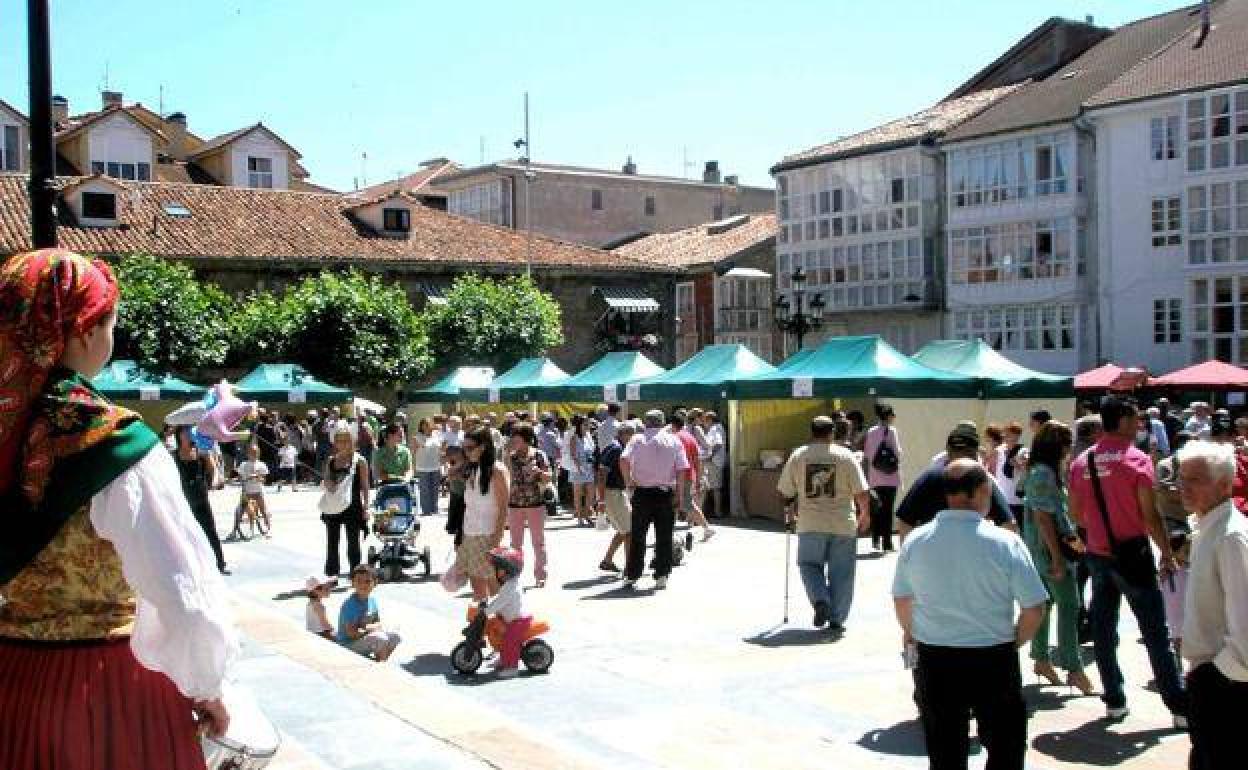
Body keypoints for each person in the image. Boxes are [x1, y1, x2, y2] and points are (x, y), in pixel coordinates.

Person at [0, 249, 235, 768]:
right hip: (107, 690)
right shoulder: (114, 441)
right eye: (110, 321)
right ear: (83, 331)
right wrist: (206, 687)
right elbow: (182, 592)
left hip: (12, 680)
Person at [892, 459, 1047, 770]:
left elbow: (902, 600)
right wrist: (1014, 641)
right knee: (1006, 746)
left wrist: (914, 635)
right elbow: (1034, 608)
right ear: (981, 491)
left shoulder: (916, 542)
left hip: (935, 657)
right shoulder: (1006, 543)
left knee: (944, 749)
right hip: (993, 657)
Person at [1068, 397, 1187, 725]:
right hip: (1133, 554)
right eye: (1135, 418)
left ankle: (1115, 700)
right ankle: (1177, 705)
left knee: (1104, 630)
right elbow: (1150, 515)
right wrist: (1167, 552)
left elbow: (1075, 513)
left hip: (1098, 554)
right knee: (1154, 633)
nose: (1140, 424)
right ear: (1120, 420)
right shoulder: (1136, 460)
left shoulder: (1082, 462)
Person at [1175, 441, 1248, 770]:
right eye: (1181, 477)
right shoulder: (1206, 527)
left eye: (1195, 479)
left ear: (1224, 485)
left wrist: (1217, 674)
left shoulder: (1230, 537)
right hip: (1209, 677)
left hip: (1225, 686)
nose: (1183, 486)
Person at [1022, 421, 1095, 696]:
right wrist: (1056, 558)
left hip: (1041, 549)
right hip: (1048, 550)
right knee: (1069, 604)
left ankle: (1041, 658)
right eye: (1067, 444)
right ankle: (1073, 666)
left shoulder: (1040, 471)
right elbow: (1043, 518)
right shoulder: (1044, 473)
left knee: (1048, 603)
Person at [778, 416, 871, 631]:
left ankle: (821, 599)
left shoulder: (799, 455)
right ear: (832, 433)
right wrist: (865, 514)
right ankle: (837, 618)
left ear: (812, 432)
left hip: (810, 522)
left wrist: (789, 512)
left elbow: (785, 492)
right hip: (842, 523)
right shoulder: (845, 456)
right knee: (843, 573)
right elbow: (862, 492)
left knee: (808, 565)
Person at [897, 423, 1016, 542]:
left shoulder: (929, 477)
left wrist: (908, 555)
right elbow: (1009, 525)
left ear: (948, 450)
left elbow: (905, 521)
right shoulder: (982, 479)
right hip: (972, 553)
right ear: (975, 452)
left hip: (933, 552)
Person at [620, 410, 689, 590]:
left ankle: (633, 574)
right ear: (662, 422)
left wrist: (629, 482)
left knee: (638, 536)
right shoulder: (674, 440)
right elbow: (682, 470)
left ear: (646, 423)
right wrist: (680, 497)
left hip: (642, 493)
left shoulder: (636, 439)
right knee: (664, 536)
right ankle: (662, 574)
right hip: (665, 493)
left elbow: (623, 459)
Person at [455, 427, 509, 601]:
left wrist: (496, 538)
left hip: (487, 534)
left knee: (494, 586)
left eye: (470, 448)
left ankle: (500, 621)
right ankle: (482, 622)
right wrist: (461, 536)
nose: (466, 452)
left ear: (483, 447)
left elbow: (503, 508)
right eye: (464, 448)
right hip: (470, 533)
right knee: (476, 587)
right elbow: (468, 506)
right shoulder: (472, 469)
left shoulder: (497, 471)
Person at [1157, 431, 1195, 661]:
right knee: (1176, 592)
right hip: (1174, 530)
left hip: (1193, 528)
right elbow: (1163, 489)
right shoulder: (1166, 465)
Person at [174, 426, 228, 574]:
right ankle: (190, 565)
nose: (189, 434)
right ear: (179, 435)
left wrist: (212, 482)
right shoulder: (173, 455)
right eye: (185, 432)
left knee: (210, 530)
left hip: (200, 495)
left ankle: (220, 563)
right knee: (184, 532)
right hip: (183, 498)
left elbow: (213, 470)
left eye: (190, 431)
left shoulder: (201, 451)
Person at [505, 422, 553, 588]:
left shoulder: (539, 455)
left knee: (538, 542)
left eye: (516, 438)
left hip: (535, 503)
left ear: (526, 439)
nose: (513, 442)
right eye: (512, 438)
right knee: (515, 544)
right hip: (514, 504)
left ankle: (541, 575)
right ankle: (513, 576)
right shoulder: (510, 457)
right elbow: (505, 479)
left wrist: (539, 473)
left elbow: (549, 477)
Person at [320, 426, 370, 577]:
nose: (343, 444)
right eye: (339, 440)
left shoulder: (359, 460)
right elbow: (326, 480)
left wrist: (366, 507)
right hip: (334, 504)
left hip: (353, 505)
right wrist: (329, 483)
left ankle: (356, 574)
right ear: (335, 442)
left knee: (353, 541)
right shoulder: (331, 460)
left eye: (346, 440)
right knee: (332, 541)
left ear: (352, 441)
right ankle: (332, 574)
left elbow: (365, 485)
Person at [483, 547, 532, 678]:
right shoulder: (509, 584)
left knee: (509, 641)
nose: (496, 572)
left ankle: (512, 668)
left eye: (499, 569)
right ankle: (503, 659)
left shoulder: (511, 586)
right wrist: (487, 603)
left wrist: (485, 611)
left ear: (508, 571)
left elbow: (500, 602)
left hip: (518, 621)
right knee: (498, 635)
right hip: (508, 618)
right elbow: (499, 599)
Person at [337, 565, 401, 661]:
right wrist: (369, 630)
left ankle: (379, 660)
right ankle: (381, 666)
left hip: (364, 639)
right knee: (379, 638)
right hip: (348, 645)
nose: (363, 585)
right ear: (352, 583)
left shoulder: (372, 601)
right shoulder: (350, 605)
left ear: (375, 583)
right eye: (358, 581)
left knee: (395, 636)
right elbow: (351, 634)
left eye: (367, 581)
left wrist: (372, 628)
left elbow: (377, 622)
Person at [596, 420, 635, 573]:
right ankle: (630, 567)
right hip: (612, 493)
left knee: (623, 529)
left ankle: (607, 560)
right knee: (628, 531)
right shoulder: (616, 448)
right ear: (623, 434)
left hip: (617, 492)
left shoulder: (617, 447)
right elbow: (602, 474)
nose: (633, 437)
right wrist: (601, 499)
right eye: (631, 434)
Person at [863, 403, 902, 553]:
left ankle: (875, 539)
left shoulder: (871, 431)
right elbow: (897, 452)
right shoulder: (891, 431)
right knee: (888, 509)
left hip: (875, 477)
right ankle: (887, 542)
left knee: (877, 509)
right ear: (889, 416)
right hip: (890, 477)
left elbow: (867, 454)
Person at [671, 412, 715, 542]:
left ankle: (707, 528)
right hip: (690, 475)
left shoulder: (675, 438)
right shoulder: (690, 437)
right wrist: (698, 477)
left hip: (680, 476)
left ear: (673, 425)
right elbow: (697, 460)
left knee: (686, 504)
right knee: (680, 503)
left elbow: (674, 459)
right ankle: (670, 531)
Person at [566, 415, 596, 526]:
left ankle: (587, 513)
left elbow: (591, 451)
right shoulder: (574, 437)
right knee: (578, 494)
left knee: (591, 492)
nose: (588, 426)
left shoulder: (588, 436)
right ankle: (579, 517)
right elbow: (573, 455)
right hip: (577, 468)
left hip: (588, 466)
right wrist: (579, 468)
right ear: (580, 425)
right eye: (586, 424)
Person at [410, 418, 443, 516]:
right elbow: (413, 452)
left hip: (436, 466)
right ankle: (426, 510)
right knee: (424, 490)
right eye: (425, 425)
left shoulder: (437, 436)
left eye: (429, 424)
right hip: (423, 467)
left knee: (435, 489)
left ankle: (434, 508)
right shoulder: (416, 437)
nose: (428, 426)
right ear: (421, 426)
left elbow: (441, 449)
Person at [236, 442, 271, 534]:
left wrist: (258, 477)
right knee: (241, 511)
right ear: (248, 453)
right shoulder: (244, 464)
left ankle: (267, 526)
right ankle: (236, 529)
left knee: (263, 509)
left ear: (258, 453)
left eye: (255, 452)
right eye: (252, 452)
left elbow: (264, 480)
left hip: (258, 491)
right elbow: (239, 477)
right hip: (247, 491)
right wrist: (244, 478)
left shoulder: (262, 464)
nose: (253, 454)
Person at [704, 411, 728, 517]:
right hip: (715, 462)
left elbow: (718, 443)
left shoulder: (715, 428)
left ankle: (717, 512)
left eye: (705, 420)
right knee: (713, 488)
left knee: (714, 488)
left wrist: (710, 456)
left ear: (710, 420)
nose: (704, 423)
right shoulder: (718, 428)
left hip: (714, 462)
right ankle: (715, 511)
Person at [305, 575, 336, 640]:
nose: (330, 590)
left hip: (311, 634)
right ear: (316, 591)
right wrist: (333, 631)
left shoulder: (311, 603)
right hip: (321, 634)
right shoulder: (318, 606)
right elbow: (324, 623)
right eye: (327, 589)